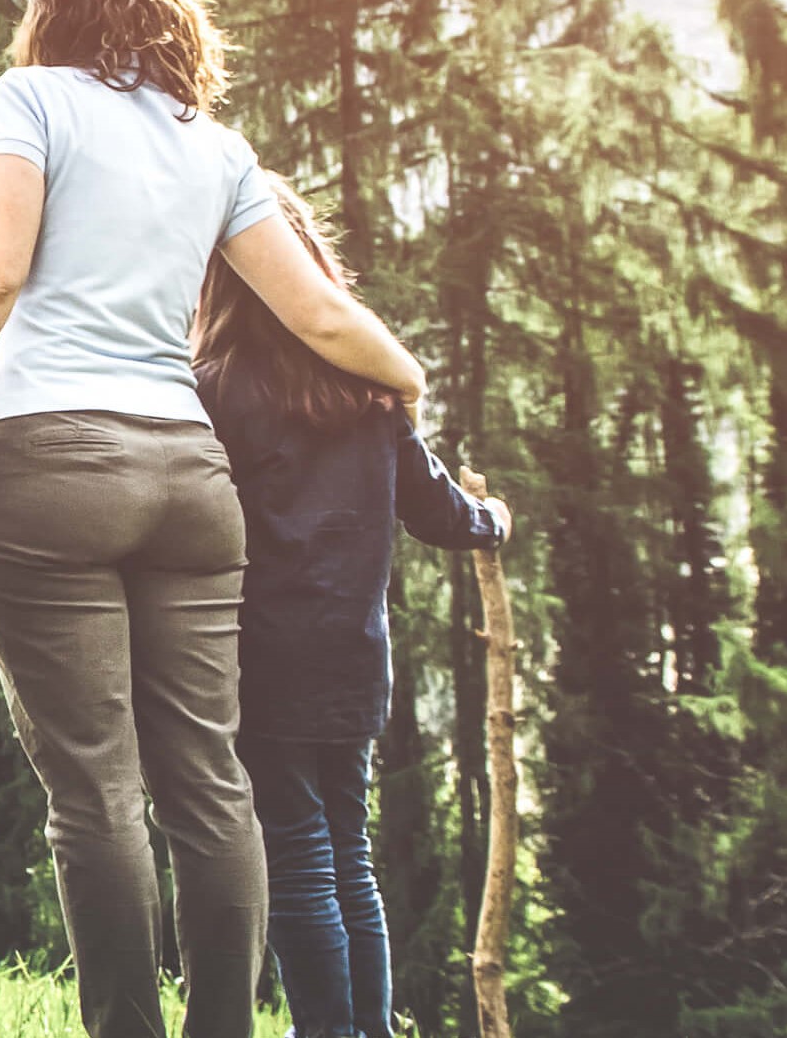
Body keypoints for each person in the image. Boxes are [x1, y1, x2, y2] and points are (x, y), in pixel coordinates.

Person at [0, 0, 427, 1038]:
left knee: (93, 788)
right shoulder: (218, 150)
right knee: (208, 782)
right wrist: (409, 374)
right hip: (189, 481)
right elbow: (320, 316)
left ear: (51, 10)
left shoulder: (30, 99)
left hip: (49, 462)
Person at [193, 176, 509, 1038]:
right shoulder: (367, 392)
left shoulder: (211, 388)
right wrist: (495, 518)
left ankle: (324, 1032)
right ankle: (366, 1029)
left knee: (295, 857)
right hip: (354, 658)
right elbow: (442, 513)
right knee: (349, 855)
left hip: (264, 658)